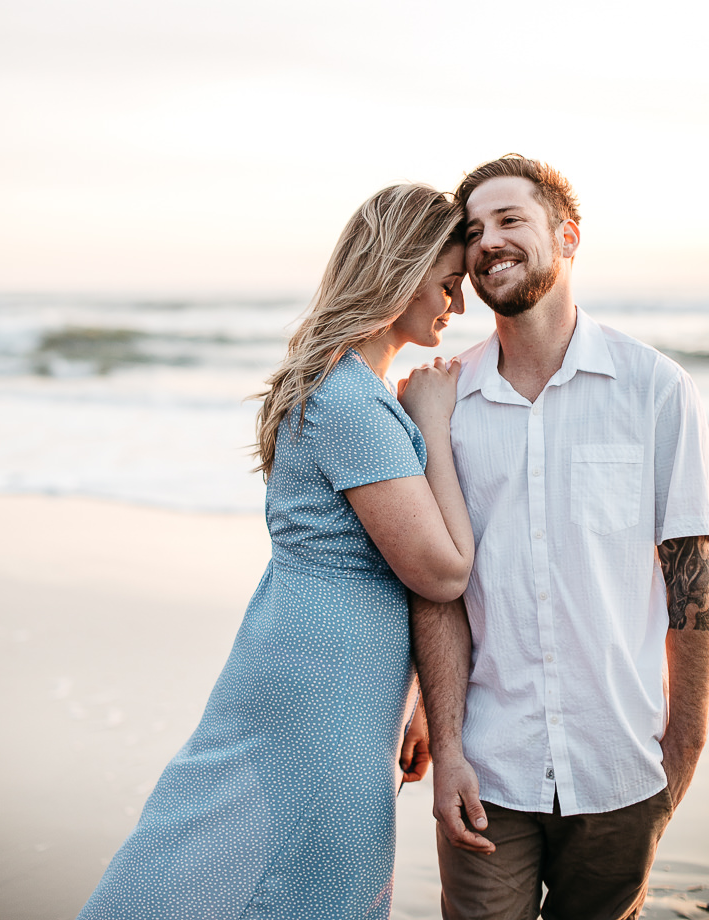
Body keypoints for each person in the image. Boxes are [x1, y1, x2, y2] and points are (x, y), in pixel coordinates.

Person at [77, 183, 474, 920]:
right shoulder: (351, 402)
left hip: (317, 663)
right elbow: (442, 570)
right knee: (294, 868)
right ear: (403, 267)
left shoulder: (344, 388)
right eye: (449, 284)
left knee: (240, 856)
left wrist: (417, 697)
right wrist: (438, 423)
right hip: (322, 685)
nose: (459, 306)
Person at [409, 154, 709, 920]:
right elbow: (439, 589)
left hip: (621, 767)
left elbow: (693, 582)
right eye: (474, 230)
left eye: (511, 220)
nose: (488, 242)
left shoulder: (653, 388)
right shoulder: (448, 404)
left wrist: (682, 751)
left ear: (568, 238)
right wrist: (444, 741)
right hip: (489, 769)